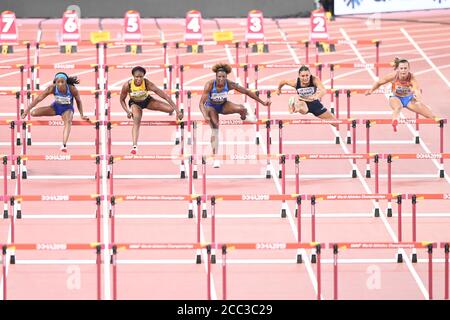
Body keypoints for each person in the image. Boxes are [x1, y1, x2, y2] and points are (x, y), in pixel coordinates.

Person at [199, 63, 271, 168]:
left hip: (223, 105)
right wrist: (205, 115)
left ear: (226, 77)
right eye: (219, 77)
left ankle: (244, 117)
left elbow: (246, 92)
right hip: (211, 107)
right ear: (216, 76)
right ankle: (215, 158)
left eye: (223, 77)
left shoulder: (229, 84)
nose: (221, 79)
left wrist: (263, 102)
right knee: (215, 128)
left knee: (242, 108)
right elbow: (201, 103)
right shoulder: (209, 85)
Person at [120, 66, 182, 155]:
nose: (138, 79)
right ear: (133, 76)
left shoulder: (147, 83)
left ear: (144, 76)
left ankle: (170, 109)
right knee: (136, 119)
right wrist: (127, 111)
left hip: (148, 101)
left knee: (170, 109)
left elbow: (164, 95)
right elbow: (121, 100)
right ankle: (134, 146)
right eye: (136, 77)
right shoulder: (127, 85)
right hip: (135, 104)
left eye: (141, 77)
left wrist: (177, 110)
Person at [21, 72, 89, 152]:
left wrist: (82, 115)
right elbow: (38, 99)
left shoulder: (72, 89)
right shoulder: (51, 88)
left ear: (66, 82)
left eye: (62, 82)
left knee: (68, 121)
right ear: (55, 82)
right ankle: (34, 111)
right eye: (58, 82)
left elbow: (79, 101)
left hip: (67, 109)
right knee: (33, 113)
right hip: (55, 108)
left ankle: (64, 145)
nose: (60, 84)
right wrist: (26, 111)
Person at [366, 57, 436, 132]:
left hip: (409, 99)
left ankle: (433, 115)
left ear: (408, 69)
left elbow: (416, 89)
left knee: (430, 116)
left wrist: (418, 99)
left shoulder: (411, 77)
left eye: (405, 68)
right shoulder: (393, 76)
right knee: (398, 107)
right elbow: (379, 82)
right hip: (395, 97)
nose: (403, 70)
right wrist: (371, 90)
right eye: (401, 68)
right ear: (398, 69)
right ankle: (394, 122)